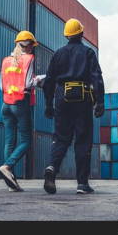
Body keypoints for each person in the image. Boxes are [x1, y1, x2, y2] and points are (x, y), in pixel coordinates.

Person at [42, 18, 105, 194]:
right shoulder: (88, 53)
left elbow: (49, 81)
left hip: (62, 98)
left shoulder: (58, 54)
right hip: (82, 99)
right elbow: (96, 78)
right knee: (83, 140)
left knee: (61, 138)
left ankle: (52, 168)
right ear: (81, 33)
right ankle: (82, 184)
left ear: (67, 35)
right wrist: (100, 102)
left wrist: (48, 104)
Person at [0, 31, 44, 192]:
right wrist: (40, 79)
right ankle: (7, 166)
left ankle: (12, 183)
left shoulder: (5, 61)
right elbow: (28, 83)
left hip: (5, 104)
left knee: (9, 141)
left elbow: (2, 87)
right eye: (32, 45)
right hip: (20, 104)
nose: (33, 48)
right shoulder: (29, 59)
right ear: (29, 45)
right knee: (26, 141)